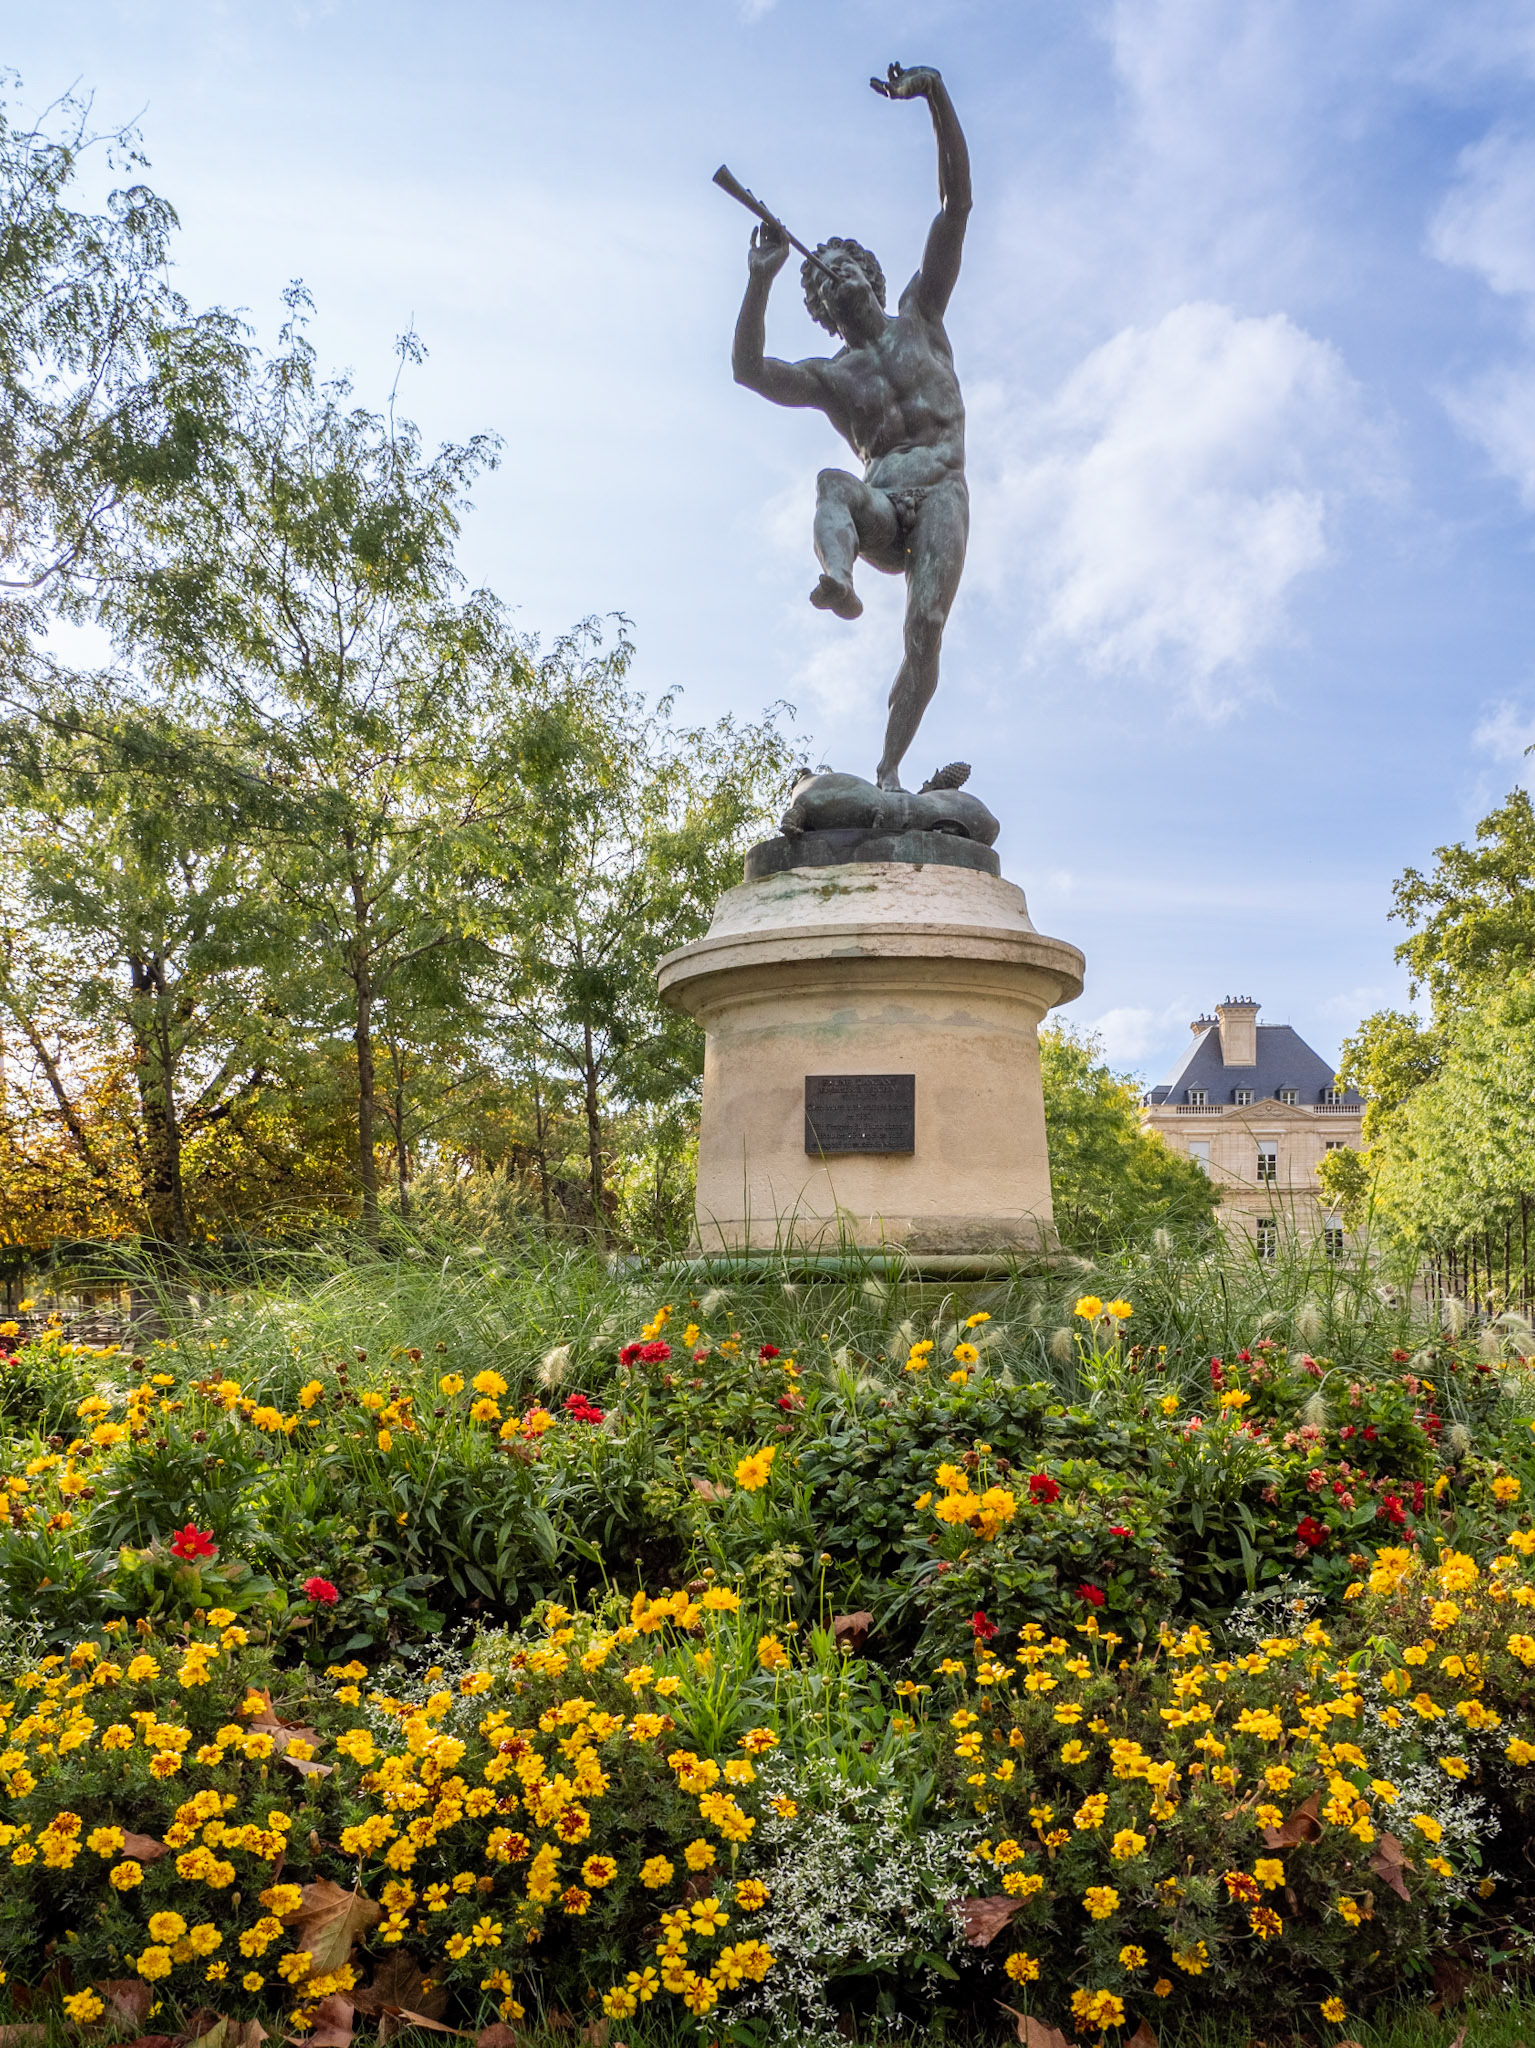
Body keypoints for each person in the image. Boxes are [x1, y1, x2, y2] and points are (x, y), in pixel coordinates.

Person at [731, 62, 971, 792]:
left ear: (868, 272)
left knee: (924, 629)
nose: (835, 277)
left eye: (843, 267)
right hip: (879, 504)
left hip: (939, 494)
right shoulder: (833, 379)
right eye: (822, 278)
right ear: (823, 309)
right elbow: (749, 370)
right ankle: (837, 579)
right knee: (831, 481)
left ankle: (890, 771)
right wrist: (760, 277)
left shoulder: (921, 315)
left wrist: (934, 96)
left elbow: (955, 205)